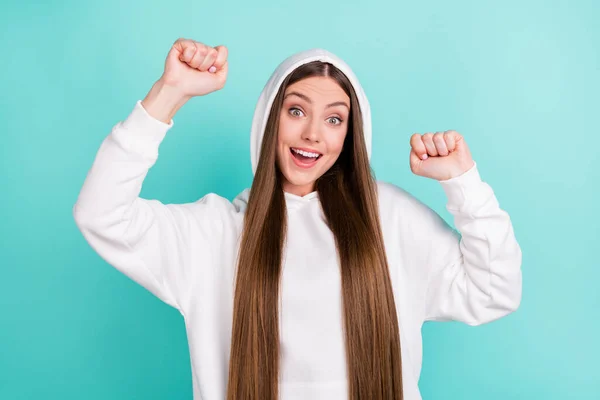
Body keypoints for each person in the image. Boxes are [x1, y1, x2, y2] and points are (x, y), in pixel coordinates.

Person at [73, 38, 523, 400]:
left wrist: (463, 183)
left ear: (349, 135)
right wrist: (169, 94)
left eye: (333, 119)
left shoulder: (390, 218)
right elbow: (101, 214)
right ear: (271, 120)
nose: (312, 133)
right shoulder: (215, 234)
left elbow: (495, 290)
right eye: (296, 111)